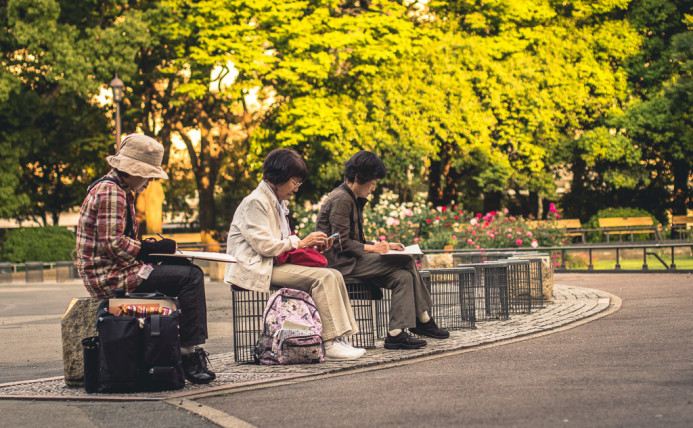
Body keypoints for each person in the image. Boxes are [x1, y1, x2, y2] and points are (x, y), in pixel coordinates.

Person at [75, 133, 214, 384]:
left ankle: (181, 349)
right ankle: (187, 355)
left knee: (182, 269)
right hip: (110, 278)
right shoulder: (111, 193)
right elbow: (113, 244)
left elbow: (117, 242)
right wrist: (148, 250)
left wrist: (152, 250)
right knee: (191, 277)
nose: (150, 181)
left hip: (117, 270)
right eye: (148, 174)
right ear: (133, 170)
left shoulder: (114, 189)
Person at [224, 148, 365, 360]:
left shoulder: (276, 202)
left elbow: (282, 244)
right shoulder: (256, 202)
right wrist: (301, 241)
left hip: (272, 263)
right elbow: (265, 246)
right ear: (279, 177)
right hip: (257, 266)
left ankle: (341, 337)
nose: (296, 189)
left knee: (333, 274)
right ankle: (330, 340)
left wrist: (310, 247)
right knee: (324, 278)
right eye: (294, 182)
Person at [315, 151, 450, 350]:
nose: (373, 189)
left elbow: (354, 241)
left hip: (352, 261)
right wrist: (374, 248)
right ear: (359, 178)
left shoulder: (351, 198)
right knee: (406, 261)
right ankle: (423, 319)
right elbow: (340, 244)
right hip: (341, 264)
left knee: (403, 277)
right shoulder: (342, 199)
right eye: (373, 183)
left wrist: (387, 247)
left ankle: (395, 334)